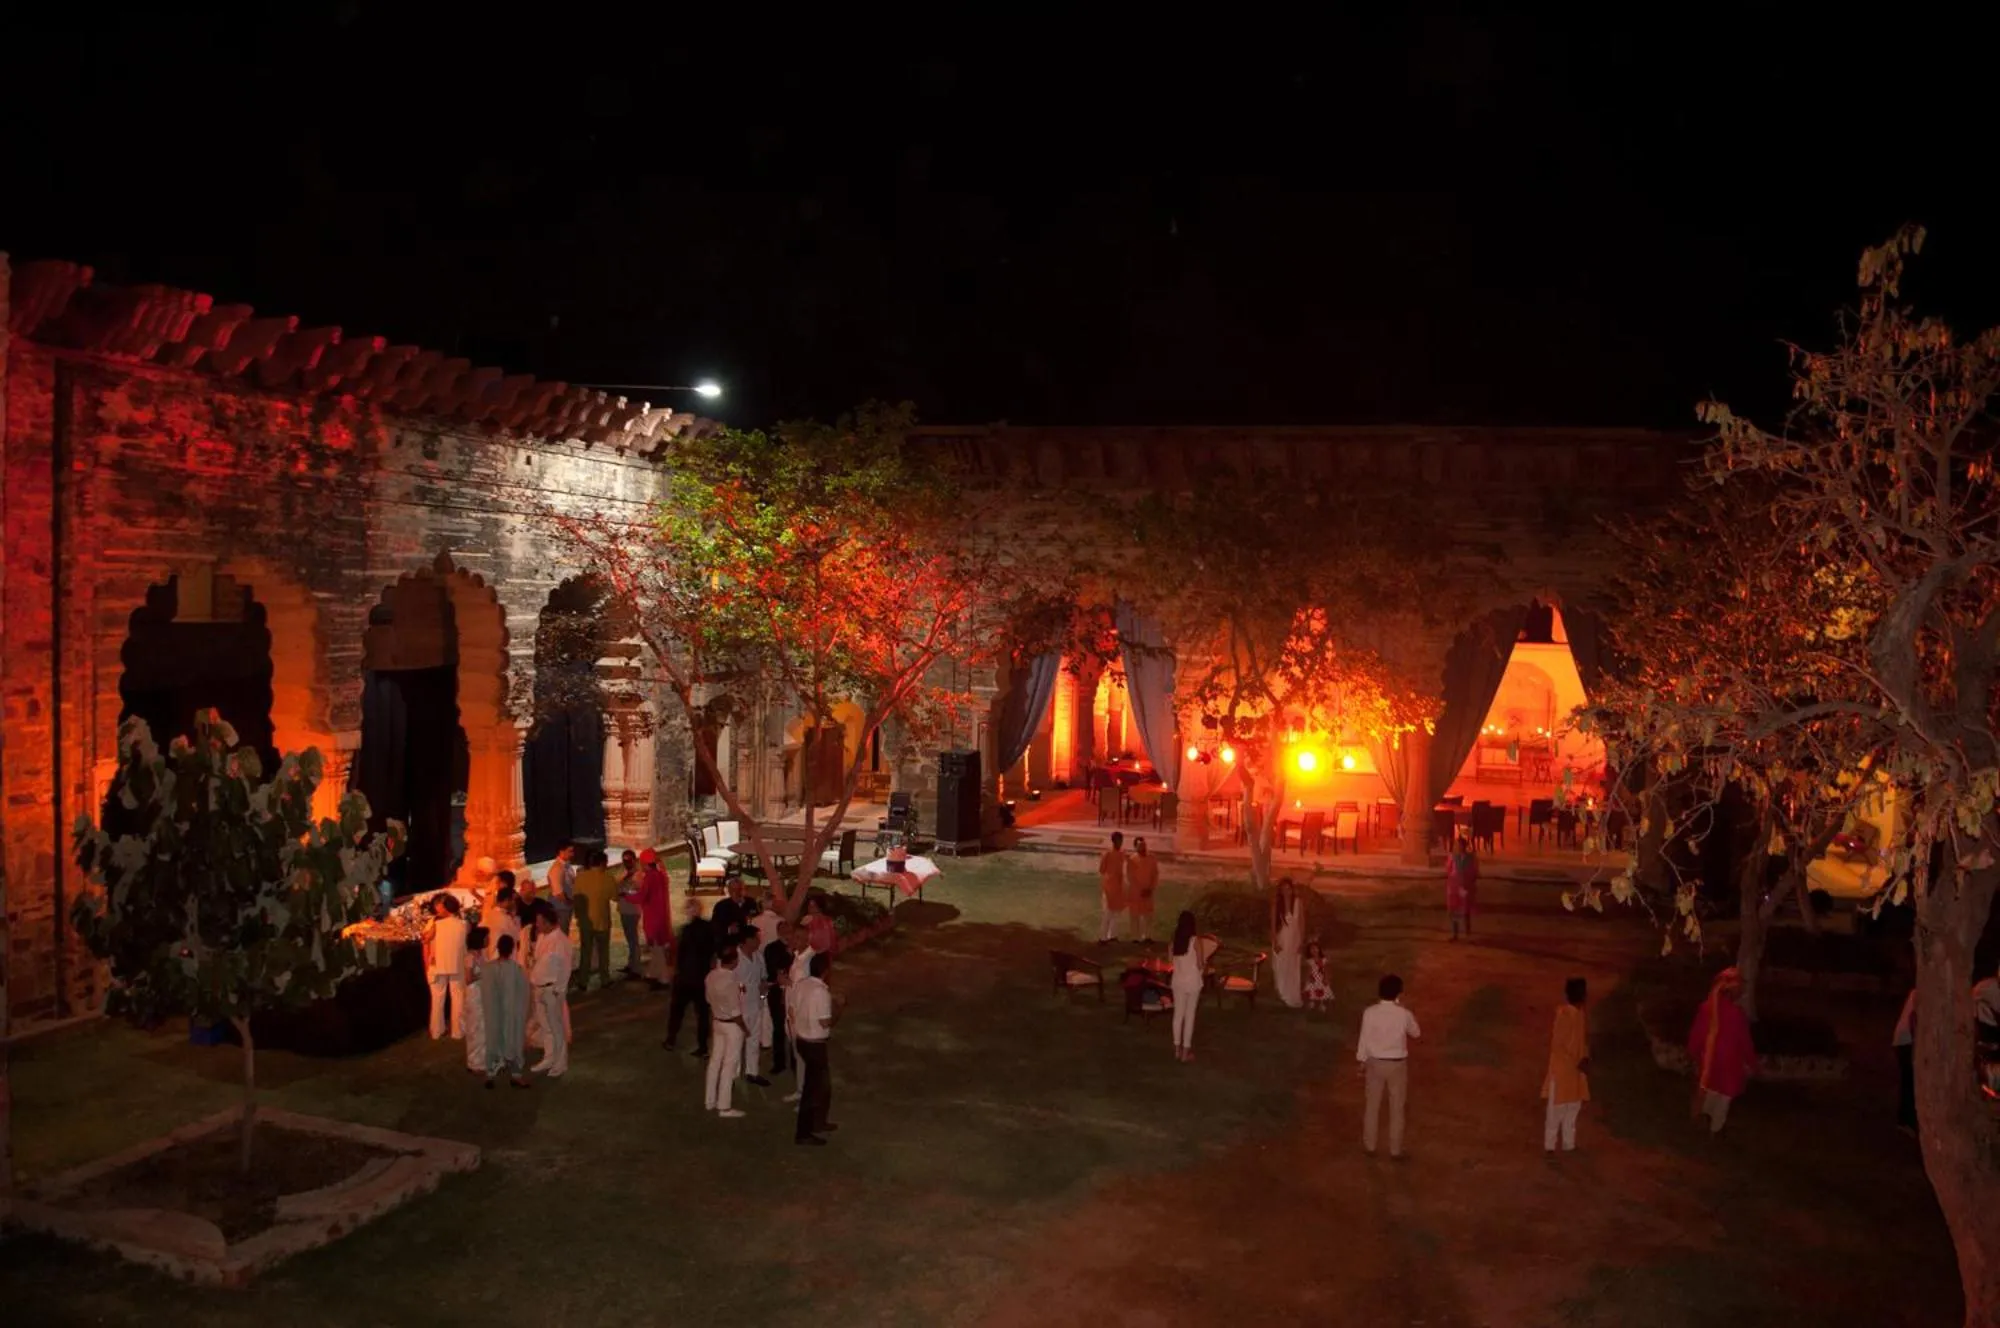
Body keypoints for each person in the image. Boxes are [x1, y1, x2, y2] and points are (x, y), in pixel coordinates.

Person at [1357, 973, 1421, 1158]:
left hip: (1375, 1063)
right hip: (1397, 1064)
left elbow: (1364, 1039)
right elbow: (1416, 1033)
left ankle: (1370, 1145)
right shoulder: (1403, 1014)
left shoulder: (1369, 1012)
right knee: (1397, 1107)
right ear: (1399, 993)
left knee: (1372, 1105)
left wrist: (1362, 1060)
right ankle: (1395, 1149)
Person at [1686, 967, 1756, 1134]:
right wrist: (1753, 1064)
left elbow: (1696, 1035)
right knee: (1721, 1107)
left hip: (1710, 1067)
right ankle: (1713, 1134)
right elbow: (1744, 1043)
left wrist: (1693, 1054)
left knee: (1706, 1101)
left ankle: (1699, 1132)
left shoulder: (1706, 1008)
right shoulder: (1736, 1014)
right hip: (1729, 1069)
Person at [793, 952, 839, 1145]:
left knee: (823, 1087)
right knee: (815, 1089)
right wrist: (839, 1007)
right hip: (814, 1044)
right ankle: (804, 1133)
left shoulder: (802, 985)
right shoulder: (821, 992)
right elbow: (826, 1022)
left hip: (802, 1040)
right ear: (826, 971)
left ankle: (819, 1122)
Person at [1543, 977, 1591, 1153]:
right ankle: (1550, 1145)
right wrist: (1578, 1060)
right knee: (1557, 1109)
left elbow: (1581, 1042)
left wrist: (1585, 1057)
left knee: (1572, 1107)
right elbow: (1559, 1045)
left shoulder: (1579, 1015)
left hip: (1574, 1071)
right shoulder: (1564, 1015)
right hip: (1562, 1071)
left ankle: (1568, 1144)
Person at [528, 902, 574, 1077]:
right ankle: (549, 1057)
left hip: (552, 990)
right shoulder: (542, 937)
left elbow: (566, 967)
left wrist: (558, 990)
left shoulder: (561, 941)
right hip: (539, 988)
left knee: (556, 1027)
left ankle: (560, 1063)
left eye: (539, 922)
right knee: (546, 1027)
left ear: (548, 923)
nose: (537, 926)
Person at [665, 896, 716, 1055]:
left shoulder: (686, 931)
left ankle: (671, 1039)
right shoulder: (709, 928)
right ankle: (703, 1046)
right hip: (702, 976)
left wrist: (675, 971)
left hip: (686, 977)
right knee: (702, 1013)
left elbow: (679, 954)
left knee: (677, 1010)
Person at [481, 932, 532, 1089]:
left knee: (493, 1039)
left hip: (494, 1014)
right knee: (513, 1040)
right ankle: (515, 1075)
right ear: (512, 950)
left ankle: (490, 1073)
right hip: (512, 1014)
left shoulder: (488, 969)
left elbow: (485, 993)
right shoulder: (517, 970)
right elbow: (524, 994)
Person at [704, 946, 748, 1118]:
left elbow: (709, 999)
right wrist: (745, 1029)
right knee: (729, 1065)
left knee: (715, 1062)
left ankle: (710, 1100)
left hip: (717, 1021)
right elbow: (736, 1012)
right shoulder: (730, 981)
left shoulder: (711, 976)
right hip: (731, 1026)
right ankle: (724, 1106)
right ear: (735, 961)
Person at [569, 848, 618, 992]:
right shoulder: (608, 878)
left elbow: (576, 898)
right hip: (602, 921)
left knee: (586, 952)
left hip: (585, 922)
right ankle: (605, 978)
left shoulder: (580, 878)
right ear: (603, 863)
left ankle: (583, 981)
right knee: (603, 952)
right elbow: (615, 897)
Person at [427, 894, 469, 1040]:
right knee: (458, 997)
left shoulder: (434, 924)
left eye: (439, 905)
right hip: (456, 964)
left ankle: (437, 1030)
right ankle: (458, 1031)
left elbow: (425, 939)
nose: (437, 908)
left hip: (437, 965)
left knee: (438, 999)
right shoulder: (463, 924)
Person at [736, 929, 773, 1087]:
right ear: (747, 940)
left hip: (756, 1005)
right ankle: (733, 1075)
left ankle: (752, 1072)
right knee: (736, 1042)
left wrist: (763, 995)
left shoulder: (758, 956)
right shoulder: (735, 957)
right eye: (756, 938)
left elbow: (763, 978)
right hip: (738, 1008)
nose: (759, 941)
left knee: (753, 1040)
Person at [1169, 910, 1206, 1062]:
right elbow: (1200, 963)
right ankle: (1186, 1052)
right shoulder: (1195, 941)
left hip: (1178, 981)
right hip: (1192, 982)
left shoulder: (1174, 943)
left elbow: (1171, 962)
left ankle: (1176, 1049)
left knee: (1178, 1015)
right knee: (1190, 1015)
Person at [764, 920, 796, 1080]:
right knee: (778, 1027)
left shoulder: (798, 948)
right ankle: (779, 1062)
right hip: (777, 993)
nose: (788, 934)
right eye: (784, 931)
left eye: (789, 930)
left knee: (795, 1028)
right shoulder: (771, 949)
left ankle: (796, 1061)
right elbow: (773, 969)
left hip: (794, 993)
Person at [637, 847, 673, 987]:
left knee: (657, 948)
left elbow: (642, 896)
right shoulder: (661, 875)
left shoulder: (650, 878)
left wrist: (627, 896)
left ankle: (663, 977)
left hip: (654, 917)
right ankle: (654, 973)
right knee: (657, 948)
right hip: (660, 915)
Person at [1271, 877, 1305, 1007]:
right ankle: (1282, 991)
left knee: (1293, 966)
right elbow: (1273, 925)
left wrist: (1301, 941)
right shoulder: (1276, 904)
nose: (1286, 891)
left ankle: (1292, 992)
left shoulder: (1298, 902)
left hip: (1295, 939)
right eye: (1283, 889)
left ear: (1292, 889)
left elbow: (1301, 923)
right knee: (1282, 964)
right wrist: (1275, 942)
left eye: (1288, 888)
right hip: (1282, 939)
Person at [462, 926, 490, 1075]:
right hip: (474, 994)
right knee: (475, 1027)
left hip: (482, 992)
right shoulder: (470, 958)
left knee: (483, 1027)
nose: (488, 940)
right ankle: (474, 1062)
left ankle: (483, 1059)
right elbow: (468, 979)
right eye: (486, 938)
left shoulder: (482, 955)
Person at [615, 849, 644, 979]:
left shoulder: (638, 875)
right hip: (624, 909)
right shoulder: (623, 872)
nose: (626, 863)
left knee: (633, 939)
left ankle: (636, 968)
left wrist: (624, 893)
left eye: (628, 860)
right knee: (630, 939)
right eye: (624, 860)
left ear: (634, 860)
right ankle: (631, 964)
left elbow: (638, 892)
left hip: (632, 910)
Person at [1097, 831, 1129, 945]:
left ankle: (1113, 935)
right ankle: (1103, 937)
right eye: (1118, 841)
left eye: (1121, 841)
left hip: (1118, 888)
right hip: (1109, 888)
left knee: (1116, 912)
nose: (1119, 843)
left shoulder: (1121, 854)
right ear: (1113, 841)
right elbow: (1101, 870)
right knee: (1107, 913)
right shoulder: (1107, 854)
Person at [1893, 986, 1918, 1133]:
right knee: (1909, 1081)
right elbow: (1913, 1019)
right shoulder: (1922, 993)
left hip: (1904, 1041)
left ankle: (1905, 1119)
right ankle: (1907, 1120)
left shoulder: (1916, 992)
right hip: (1908, 1042)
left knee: (1908, 1082)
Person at [1127, 836, 1161, 943]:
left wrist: (1150, 888)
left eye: (1144, 845)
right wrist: (1140, 890)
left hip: (1148, 891)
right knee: (1135, 915)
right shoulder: (1132, 860)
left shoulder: (1152, 858)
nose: (1143, 848)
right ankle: (1135, 937)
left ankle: (1147, 936)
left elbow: (1155, 874)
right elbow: (1130, 877)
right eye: (1140, 846)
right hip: (1136, 892)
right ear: (1135, 847)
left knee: (1148, 915)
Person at [1445, 835, 1479, 940]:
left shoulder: (1471, 858)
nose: (1458, 848)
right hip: (1455, 886)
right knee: (1454, 910)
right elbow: (1448, 870)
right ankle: (1455, 934)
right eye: (1457, 845)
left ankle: (1467, 933)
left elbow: (1474, 872)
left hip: (1465, 887)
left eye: (1460, 845)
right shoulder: (1453, 858)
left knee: (1465, 910)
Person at [545, 841, 577, 939]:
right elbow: (558, 893)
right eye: (570, 851)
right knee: (561, 934)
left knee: (564, 931)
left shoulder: (567, 865)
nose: (572, 854)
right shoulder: (557, 869)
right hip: (560, 907)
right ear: (561, 852)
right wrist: (569, 903)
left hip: (566, 906)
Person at [710, 876, 752, 948]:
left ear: (744, 889)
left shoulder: (751, 902)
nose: (736, 892)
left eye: (739, 889)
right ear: (729, 891)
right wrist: (728, 929)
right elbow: (714, 927)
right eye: (733, 890)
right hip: (730, 944)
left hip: (749, 944)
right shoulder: (721, 906)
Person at [489, 875, 524, 960]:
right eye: (512, 900)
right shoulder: (505, 919)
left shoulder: (490, 914)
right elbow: (517, 936)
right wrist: (514, 916)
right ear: (507, 901)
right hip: (503, 958)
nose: (514, 903)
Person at [803, 894, 837, 966]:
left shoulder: (828, 920)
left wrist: (832, 950)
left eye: (813, 905)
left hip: (825, 952)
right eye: (809, 905)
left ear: (820, 907)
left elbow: (832, 936)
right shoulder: (807, 919)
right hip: (811, 952)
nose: (810, 908)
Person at [1303, 939, 1332, 1011]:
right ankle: (1312, 1002)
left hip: (1321, 978)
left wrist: (1326, 978)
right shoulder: (1310, 961)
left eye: (1315, 948)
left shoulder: (1323, 960)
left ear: (1319, 949)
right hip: (1313, 978)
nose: (1314, 950)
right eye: (1311, 949)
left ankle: (1322, 1004)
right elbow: (1309, 970)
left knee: (1321, 990)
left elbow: (1326, 969)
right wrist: (1308, 978)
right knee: (1312, 990)